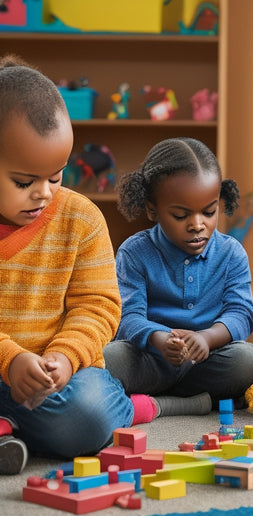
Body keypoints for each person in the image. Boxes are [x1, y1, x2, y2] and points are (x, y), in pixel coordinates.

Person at [0, 56, 157, 475]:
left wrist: (64, 359)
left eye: (56, 175)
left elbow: (98, 306)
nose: (44, 194)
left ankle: (13, 428)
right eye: (24, 182)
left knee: (86, 416)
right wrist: (9, 359)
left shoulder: (81, 218)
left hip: (57, 377)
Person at [103, 137, 253, 414]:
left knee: (252, 360)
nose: (197, 225)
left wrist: (208, 337)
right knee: (105, 359)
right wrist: (158, 338)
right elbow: (127, 317)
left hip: (207, 360)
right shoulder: (134, 252)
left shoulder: (231, 253)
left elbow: (241, 314)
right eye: (181, 215)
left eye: (209, 212)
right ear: (152, 209)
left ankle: (167, 402)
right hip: (150, 359)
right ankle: (197, 402)